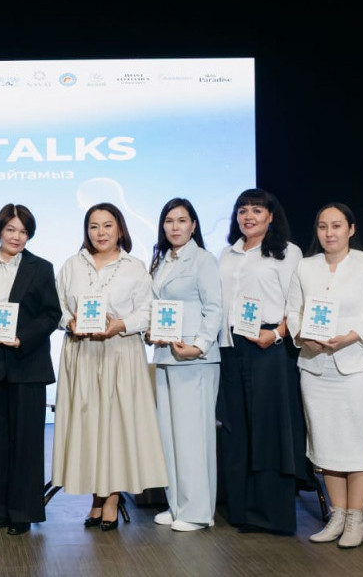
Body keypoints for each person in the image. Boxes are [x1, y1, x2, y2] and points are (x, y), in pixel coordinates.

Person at [52, 202, 168, 531]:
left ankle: (112, 498)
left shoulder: (134, 267)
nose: (100, 233)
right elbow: (57, 307)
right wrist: (69, 322)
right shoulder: (72, 264)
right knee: (88, 427)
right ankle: (96, 496)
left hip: (120, 353)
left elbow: (147, 311)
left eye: (107, 225)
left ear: (119, 229)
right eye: (94, 226)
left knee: (116, 428)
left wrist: (121, 324)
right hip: (82, 354)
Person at [284, 203, 363, 548]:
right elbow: (293, 311)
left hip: (354, 365)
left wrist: (351, 336)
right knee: (325, 443)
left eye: (337, 225)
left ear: (351, 229)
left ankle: (356, 518)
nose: (330, 233)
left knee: (356, 442)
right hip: (315, 367)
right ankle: (337, 515)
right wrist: (303, 336)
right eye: (323, 226)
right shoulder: (305, 266)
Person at [215, 188, 311, 535]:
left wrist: (278, 333)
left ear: (271, 216)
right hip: (231, 345)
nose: (248, 216)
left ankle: (271, 514)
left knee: (269, 431)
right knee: (236, 429)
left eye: (257, 210)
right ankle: (241, 511)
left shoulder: (287, 252)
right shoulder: (226, 254)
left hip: (269, 346)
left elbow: (297, 303)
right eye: (242, 210)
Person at [0, 204, 61, 536]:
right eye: (11, 230)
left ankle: (23, 512)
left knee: (27, 442)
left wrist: (23, 339)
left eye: (23, 231)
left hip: (28, 364)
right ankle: (0, 509)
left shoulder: (41, 268)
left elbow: (51, 314)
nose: (17, 237)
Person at [144, 198, 223, 532]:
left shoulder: (203, 259)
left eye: (181, 220)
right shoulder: (162, 261)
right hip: (165, 356)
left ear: (193, 225)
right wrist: (150, 332)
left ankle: (198, 512)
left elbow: (215, 308)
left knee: (193, 438)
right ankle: (177, 505)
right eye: (169, 221)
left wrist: (199, 345)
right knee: (170, 437)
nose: (174, 227)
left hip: (195, 359)